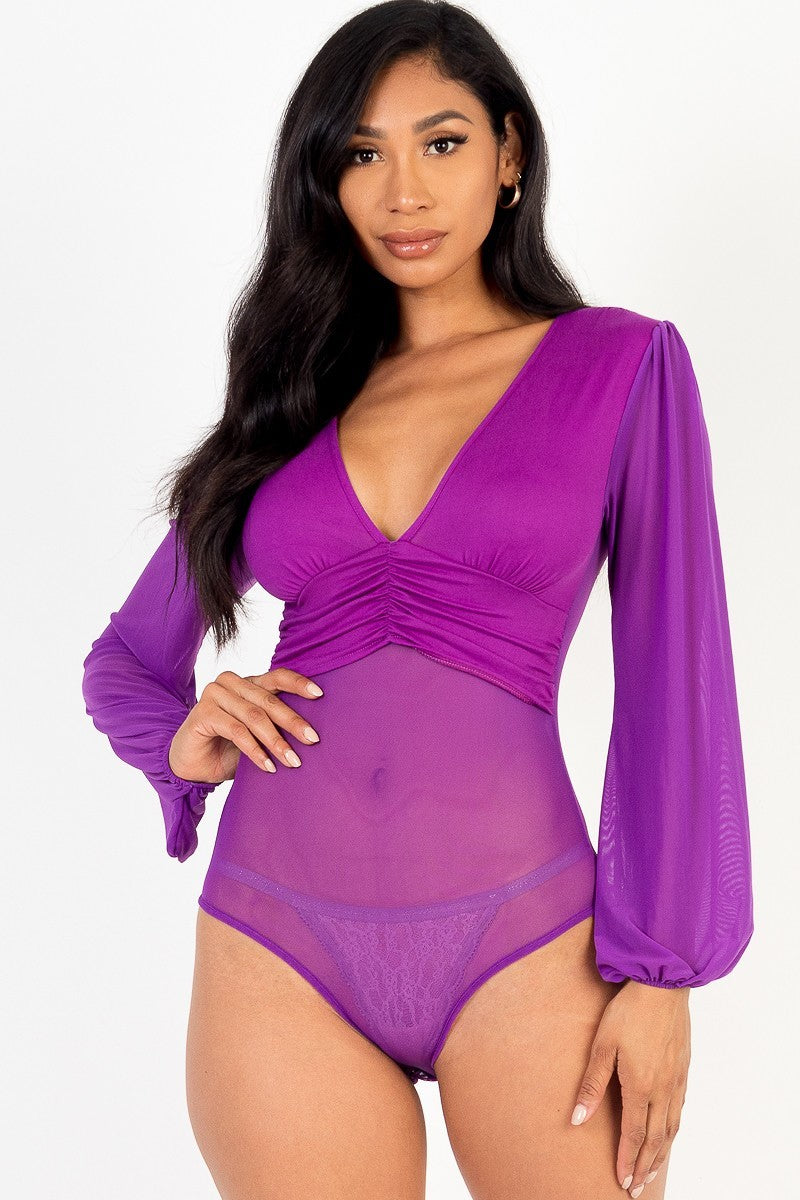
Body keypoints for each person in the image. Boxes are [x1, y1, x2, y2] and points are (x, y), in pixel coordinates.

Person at [81, 3, 754, 1197]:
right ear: (325, 183)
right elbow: (127, 660)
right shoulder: (288, 407)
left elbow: (676, 680)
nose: (403, 192)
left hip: (528, 937)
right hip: (275, 943)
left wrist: (663, 977)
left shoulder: (618, 365)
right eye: (362, 153)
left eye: (441, 142)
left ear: (508, 154)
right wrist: (179, 740)